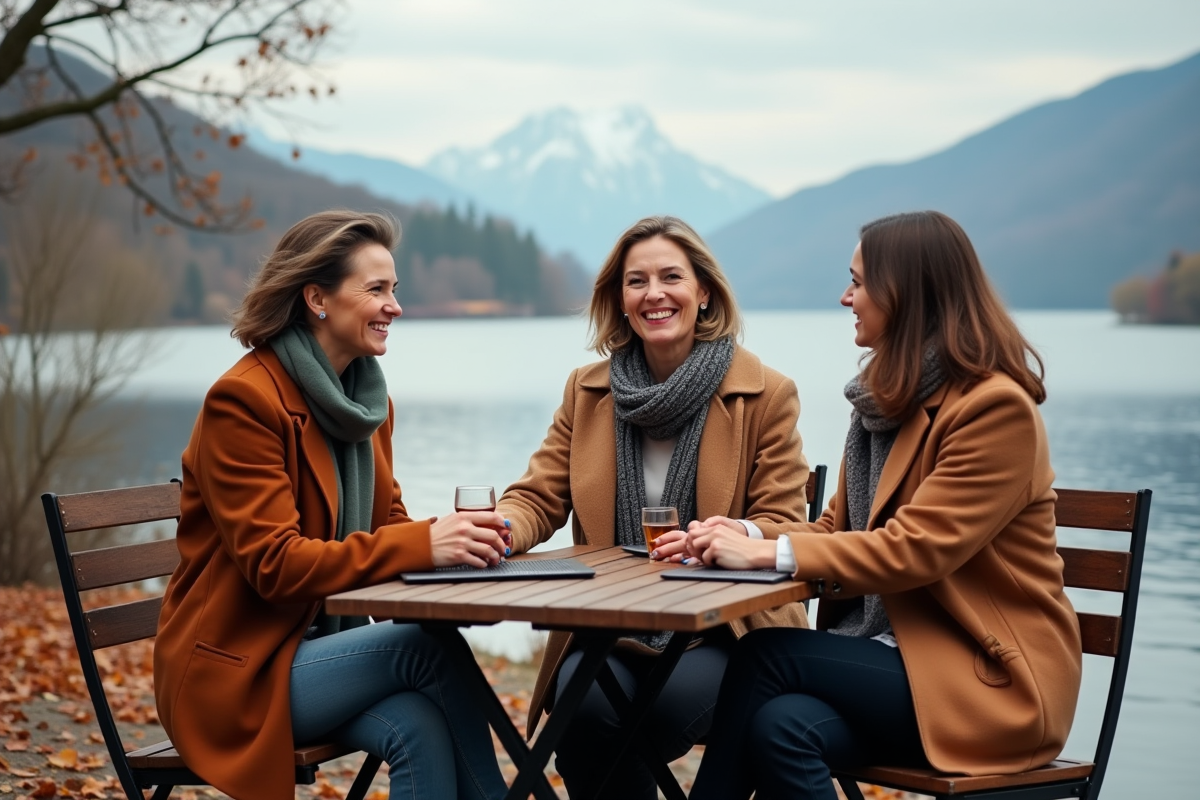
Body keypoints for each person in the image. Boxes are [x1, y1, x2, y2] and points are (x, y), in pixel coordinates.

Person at [685, 210, 1083, 800]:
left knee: (766, 656)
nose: (846, 297)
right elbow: (835, 528)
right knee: (781, 727)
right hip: (898, 660)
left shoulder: (995, 411)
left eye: (859, 282)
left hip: (988, 680)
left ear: (908, 293)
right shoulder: (883, 403)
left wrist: (767, 553)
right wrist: (744, 533)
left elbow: (915, 550)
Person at [154, 211, 509, 800]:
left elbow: (387, 527)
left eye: (394, 289)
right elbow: (277, 566)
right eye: (376, 290)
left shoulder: (366, 403)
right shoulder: (243, 403)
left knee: (419, 725)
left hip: (317, 651)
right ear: (317, 297)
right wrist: (425, 542)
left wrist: (456, 546)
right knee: (423, 647)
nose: (395, 306)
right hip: (238, 671)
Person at [496, 215, 812, 799]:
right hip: (609, 627)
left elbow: (785, 522)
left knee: (653, 713)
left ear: (704, 292)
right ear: (619, 299)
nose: (654, 294)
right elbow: (538, 495)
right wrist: (498, 529)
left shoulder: (767, 393)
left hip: (726, 631)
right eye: (636, 281)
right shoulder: (587, 391)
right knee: (583, 710)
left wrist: (731, 535)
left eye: (671, 277)